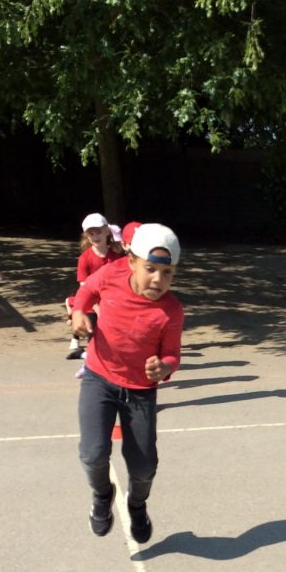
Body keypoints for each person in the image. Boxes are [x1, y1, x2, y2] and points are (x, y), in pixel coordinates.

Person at [70, 223, 184, 543]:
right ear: (132, 262)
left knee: (144, 466)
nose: (158, 279)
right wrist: (78, 312)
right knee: (92, 453)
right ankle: (102, 495)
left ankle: (137, 504)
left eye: (167, 273)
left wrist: (164, 367)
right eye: (151, 269)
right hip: (99, 378)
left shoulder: (171, 311)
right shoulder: (111, 274)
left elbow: (173, 355)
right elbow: (86, 291)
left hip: (140, 391)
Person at [65, 213, 122, 361]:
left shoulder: (115, 257)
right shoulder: (84, 258)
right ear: (87, 236)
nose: (95, 236)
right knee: (95, 342)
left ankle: (86, 356)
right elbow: (85, 288)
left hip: (110, 303)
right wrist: (98, 309)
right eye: (91, 233)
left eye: (98, 232)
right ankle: (87, 356)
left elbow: (120, 284)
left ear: (107, 231)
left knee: (115, 341)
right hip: (91, 305)